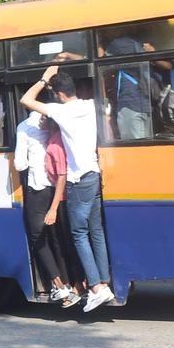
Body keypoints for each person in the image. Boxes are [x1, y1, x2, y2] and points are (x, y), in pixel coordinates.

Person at [22, 65, 114, 312]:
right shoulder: (90, 105)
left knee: (78, 234)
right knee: (96, 232)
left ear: (60, 95)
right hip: (94, 174)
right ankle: (104, 284)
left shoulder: (60, 111)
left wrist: (44, 78)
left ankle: (94, 287)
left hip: (77, 180)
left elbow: (26, 99)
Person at [15, 110, 78, 306]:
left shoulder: (25, 126)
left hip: (37, 188)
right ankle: (71, 282)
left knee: (38, 238)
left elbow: (19, 164)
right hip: (56, 189)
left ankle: (59, 286)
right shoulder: (58, 125)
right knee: (56, 237)